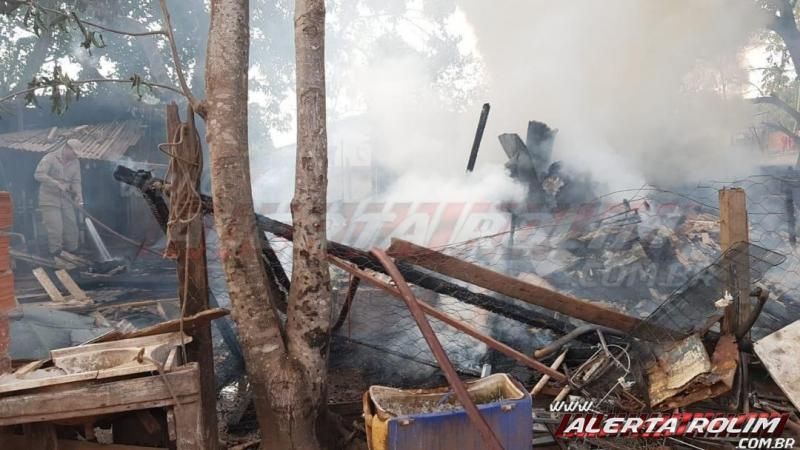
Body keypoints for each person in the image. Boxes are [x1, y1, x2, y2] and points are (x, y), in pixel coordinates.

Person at [34, 139, 83, 258]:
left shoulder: (75, 162)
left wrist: (79, 195)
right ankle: (56, 256)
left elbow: (76, 181)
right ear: (67, 148)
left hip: (66, 200)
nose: (75, 156)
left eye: (77, 154)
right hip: (49, 199)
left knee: (72, 228)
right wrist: (56, 183)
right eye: (74, 153)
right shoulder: (50, 158)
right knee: (56, 230)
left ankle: (73, 256)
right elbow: (38, 175)